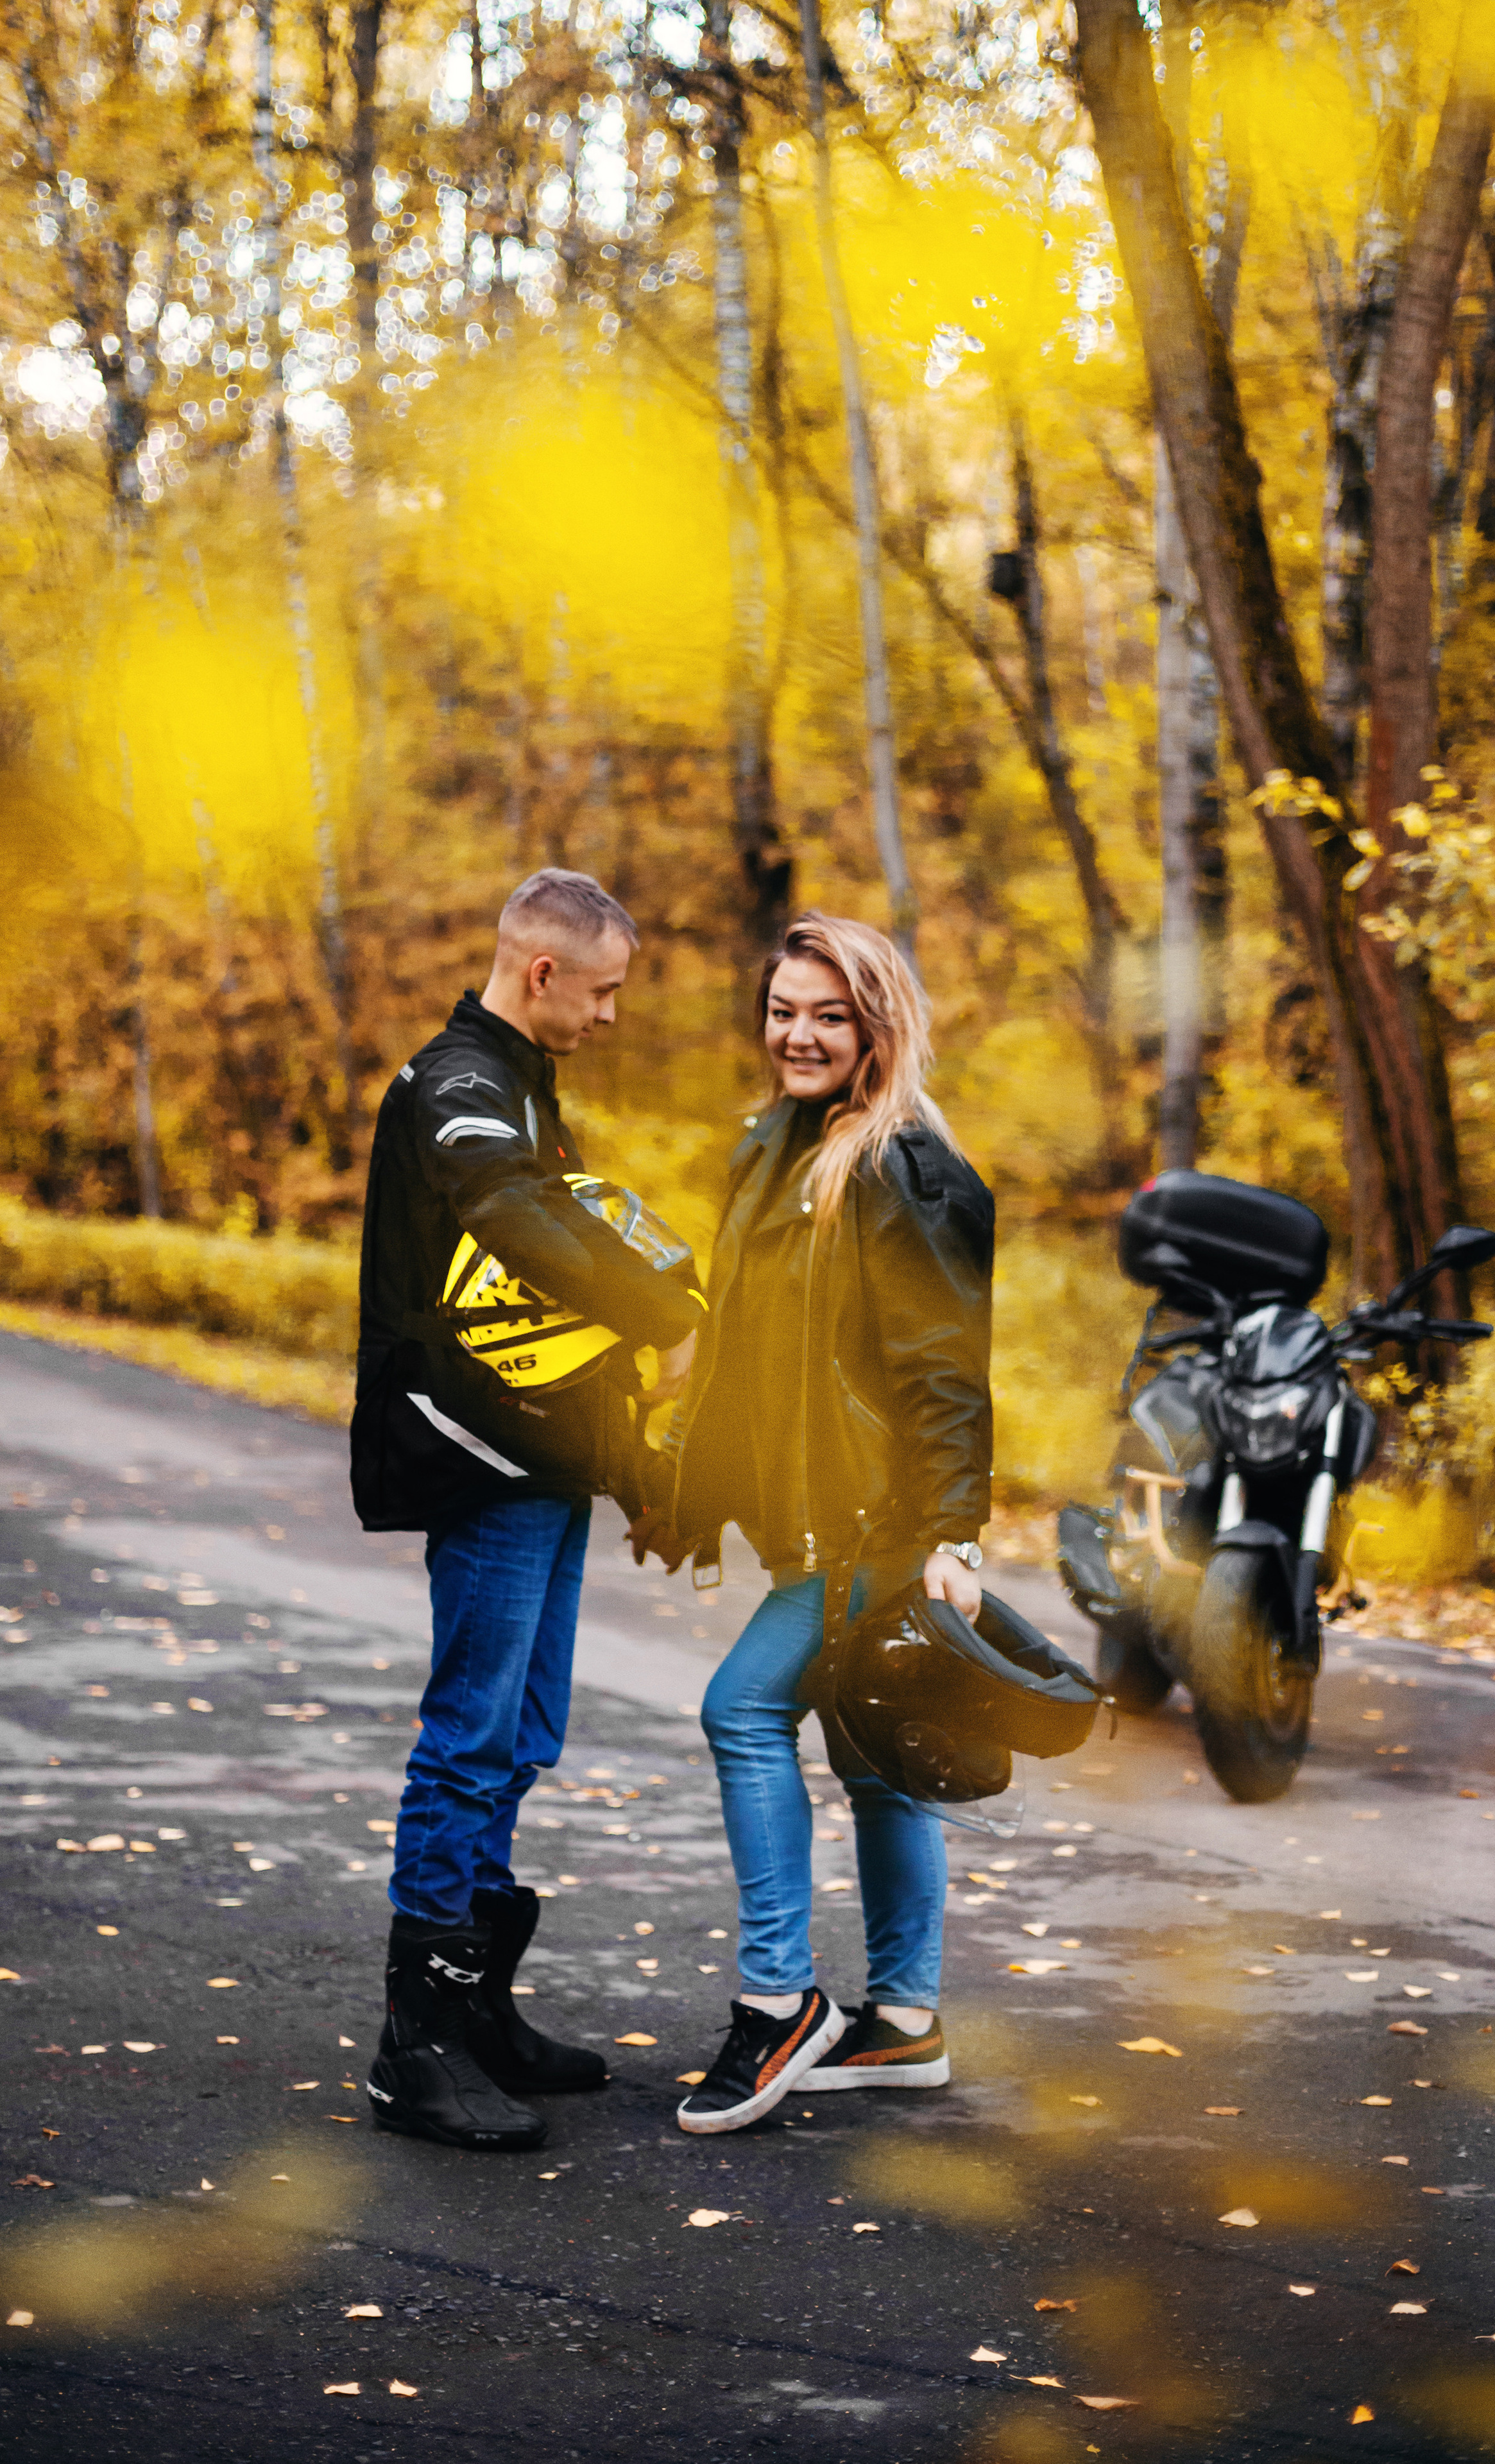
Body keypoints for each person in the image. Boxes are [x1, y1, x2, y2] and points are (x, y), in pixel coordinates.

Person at [352, 868, 703, 2153]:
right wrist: (660, 1315)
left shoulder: (521, 1082)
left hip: (540, 1454)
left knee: (521, 1733)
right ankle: (417, 2045)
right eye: (600, 992)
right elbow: (507, 1219)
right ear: (541, 972)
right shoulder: (461, 1084)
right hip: (478, 1455)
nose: (610, 1016)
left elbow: (553, 1290)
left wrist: (635, 1457)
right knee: (470, 1735)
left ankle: (478, 2008)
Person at [630, 912, 994, 2135]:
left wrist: (953, 1537)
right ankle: (905, 2023)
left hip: (876, 1521)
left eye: (829, 1016)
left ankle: (780, 2000)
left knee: (741, 1710)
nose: (799, 1034)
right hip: (812, 1517)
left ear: (877, 1028)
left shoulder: (905, 1168)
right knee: (875, 1761)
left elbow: (946, 1370)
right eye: (784, 1010)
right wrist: (689, 1493)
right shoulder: (771, 1147)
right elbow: (744, 1346)